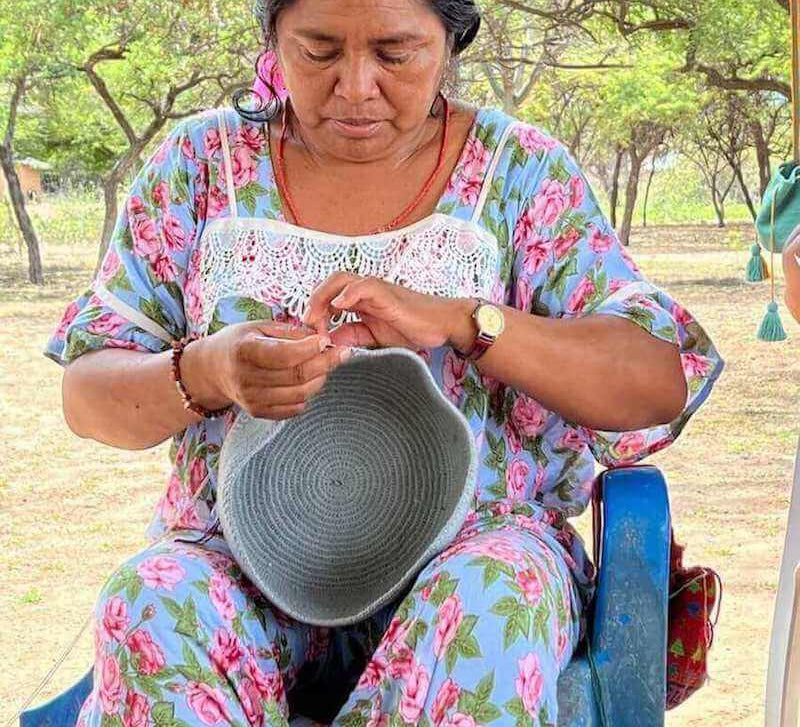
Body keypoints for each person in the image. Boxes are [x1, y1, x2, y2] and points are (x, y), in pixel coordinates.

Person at [44, 0, 724, 724]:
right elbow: (88, 395)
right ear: (273, 36)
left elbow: (656, 380)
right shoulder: (199, 166)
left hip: (476, 546)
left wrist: (468, 322)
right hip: (236, 554)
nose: (358, 85)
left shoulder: (521, 173)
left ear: (452, 40)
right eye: (319, 51)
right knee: (149, 601)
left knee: (490, 602)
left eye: (396, 54)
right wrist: (208, 371)